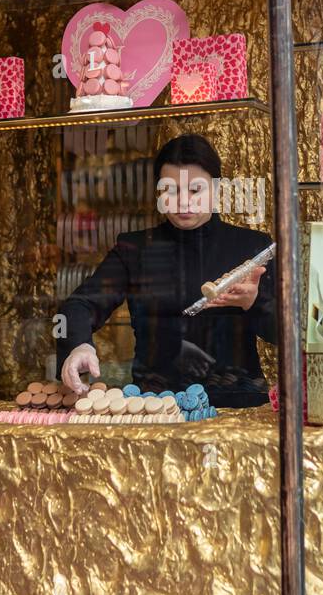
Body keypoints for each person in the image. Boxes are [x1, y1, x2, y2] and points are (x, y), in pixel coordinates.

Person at [56, 134, 275, 408]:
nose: (183, 201)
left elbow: (287, 332)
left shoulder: (253, 247)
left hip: (238, 403)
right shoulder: (134, 248)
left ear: (217, 189)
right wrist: (78, 345)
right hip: (154, 404)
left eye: (195, 190)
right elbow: (78, 305)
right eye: (170, 190)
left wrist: (255, 303)